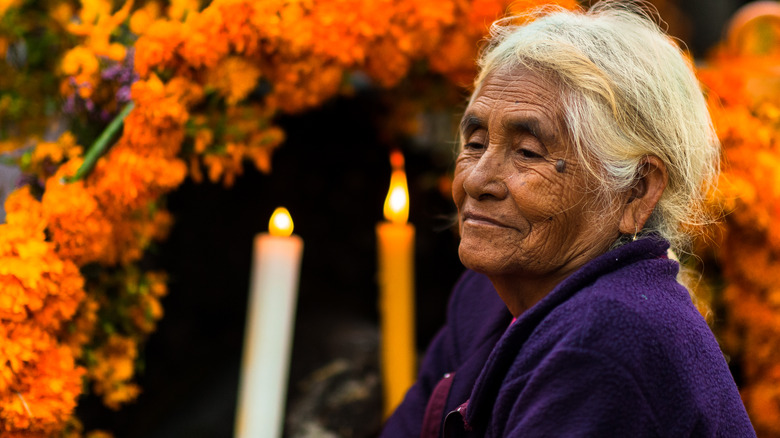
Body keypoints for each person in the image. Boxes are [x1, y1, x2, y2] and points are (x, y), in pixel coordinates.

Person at [380, 2, 756, 437]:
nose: (477, 179)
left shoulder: (608, 340)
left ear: (636, 190)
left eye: (527, 152)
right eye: (476, 141)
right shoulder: (485, 301)